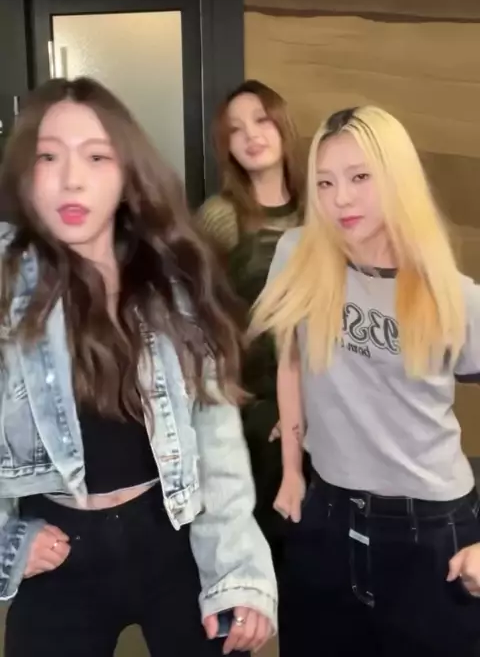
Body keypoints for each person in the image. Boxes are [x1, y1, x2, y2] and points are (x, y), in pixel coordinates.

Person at [0, 77, 276, 657]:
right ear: (26, 173)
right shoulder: (7, 285)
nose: (72, 179)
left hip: (171, 530)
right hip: (57, 546)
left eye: (96, 157)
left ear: (127, 175)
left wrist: (237, 572)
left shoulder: (171, 283)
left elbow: (216, 438)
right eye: (49, 157)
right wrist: (7, 542)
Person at [252, 106, 480, 656]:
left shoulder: (451, 293)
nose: (341, 200)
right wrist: (291, 470)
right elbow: (290, 356)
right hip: (327, 517)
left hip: (432, 531)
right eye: (325, 183)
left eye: (360, 177)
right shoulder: (298, 254)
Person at [198, 80, 305, 565]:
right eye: (235, 129)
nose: (251, 136)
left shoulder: (322, 208)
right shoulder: (219, 216)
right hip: (249, 407)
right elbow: (194, 314)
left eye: (261, 120)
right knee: (258, 543)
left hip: (324, 404)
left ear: (283, 124)